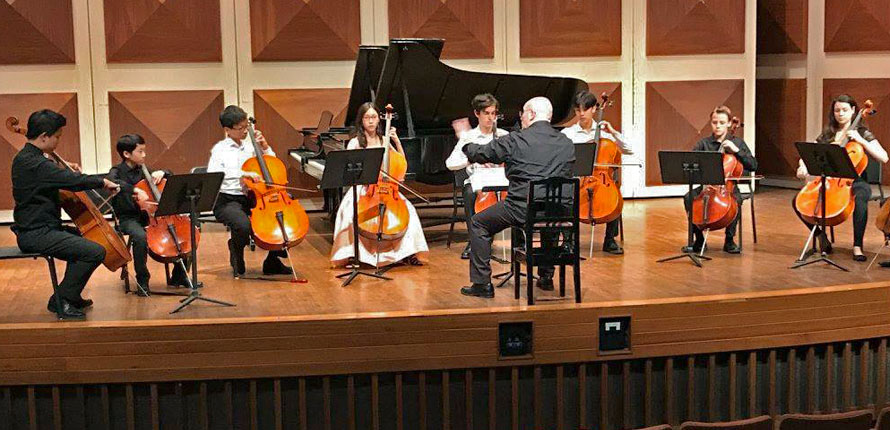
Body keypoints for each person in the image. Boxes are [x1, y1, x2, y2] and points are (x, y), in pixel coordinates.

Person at [456, 97, 575, 298]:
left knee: (479, 223)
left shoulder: (517, 139)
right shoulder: (566, 142)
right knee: (549, 220)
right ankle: (546, 276)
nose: (522, 118)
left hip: (521, 208)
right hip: (559, 210)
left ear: (531, 115)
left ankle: (482, 283)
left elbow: (481, 153)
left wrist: (464, 140)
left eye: (524, 114)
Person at [11, 109, 121, 319]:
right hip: (35, 234)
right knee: (94, 251)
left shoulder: (28, 157)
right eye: (57, 137)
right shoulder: (35, 164)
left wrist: (63, 165)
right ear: (44, 136)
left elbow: (51, 171)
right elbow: (73, 181)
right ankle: (61, 300)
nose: (58, 142)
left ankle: (70, 295)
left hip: (44, 228)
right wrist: (102, 181)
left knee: (84, 242)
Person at [330, 102, 428, 267]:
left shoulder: (384, 140)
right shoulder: (355, 142)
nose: (370, 121)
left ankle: (407, 253)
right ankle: (353, 253)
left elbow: (400, 162)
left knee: (409, 210)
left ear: (378, 120)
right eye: (367, 117)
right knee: (348, 213)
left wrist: (396, 141)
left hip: (387, 188)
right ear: (361, 120)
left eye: (374, 117)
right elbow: (352, 169)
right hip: (364, 189)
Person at [794, 94, 887, 261]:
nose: (841, 114)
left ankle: (857, 246)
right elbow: (811, 152)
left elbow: (884, 157)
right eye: (837, 110)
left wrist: (862, 141)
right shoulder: (828, 134)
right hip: (829, 180)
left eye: (845, 110)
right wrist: (803, 166)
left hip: (856, 181)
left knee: (861, 198)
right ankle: (821, 237)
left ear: (853, 111)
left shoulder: (862, 133)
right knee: (798, 201)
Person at [208, 105, 293, 278]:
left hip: (253, 197)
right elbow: (214, 175)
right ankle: (236, 251)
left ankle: (273, 261)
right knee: (243, 225)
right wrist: (243, 173)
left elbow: (273, 166)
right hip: (227, 200)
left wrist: (265, 146)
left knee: (281, 216)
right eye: (240, 128)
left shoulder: (251, 147)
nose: (245, 131)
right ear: (227, 130)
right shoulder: (220, 150)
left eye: (246, 126)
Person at [107, 134, 191, 295]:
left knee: (185, 230)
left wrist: (163, 172)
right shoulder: (117, 171)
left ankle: (179, 275)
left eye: (144, 151)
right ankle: (142, 280)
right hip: (129, 218)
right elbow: (112, 181)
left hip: (153, 217)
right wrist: (134, 190)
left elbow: (169, 175)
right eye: (140, 152)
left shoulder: (145, 170)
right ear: (126, 154)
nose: (144, 155)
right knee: (139, 237)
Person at [561, 90, 633, 255]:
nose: (581, 114)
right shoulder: (568, 134)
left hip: (602, 180)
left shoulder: (606, 134)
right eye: (578, 110)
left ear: (594, 109)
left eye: (585, 109)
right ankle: (568, 242)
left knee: (615, 194)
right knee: (564, 195)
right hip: (578, 181)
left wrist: (613, 132)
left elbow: (628, 150)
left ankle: (609, 240)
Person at [681, 106, 757, 254]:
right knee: (689, 197)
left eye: (722, 122)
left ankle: (729, 240)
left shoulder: (738, 143)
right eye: (715, 122)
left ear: (729, 124)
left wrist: (736, 151)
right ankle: (699, 239)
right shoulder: (703, 144)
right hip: (707, 186)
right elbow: (690, 164)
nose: (718, 126)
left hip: (728, 187)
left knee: (736, 200)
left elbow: (753, 165)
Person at [445, 93, 509, 259]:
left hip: (501, 181)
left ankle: (520, 243)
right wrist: (471, 160)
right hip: (478, 182)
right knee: (469, 193)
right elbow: (450, 163)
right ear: (477, 114)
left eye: (493, 113)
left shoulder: (503, 135)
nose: (490, 118)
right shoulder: (469, 137)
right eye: (486, 113)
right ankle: (474, 241)